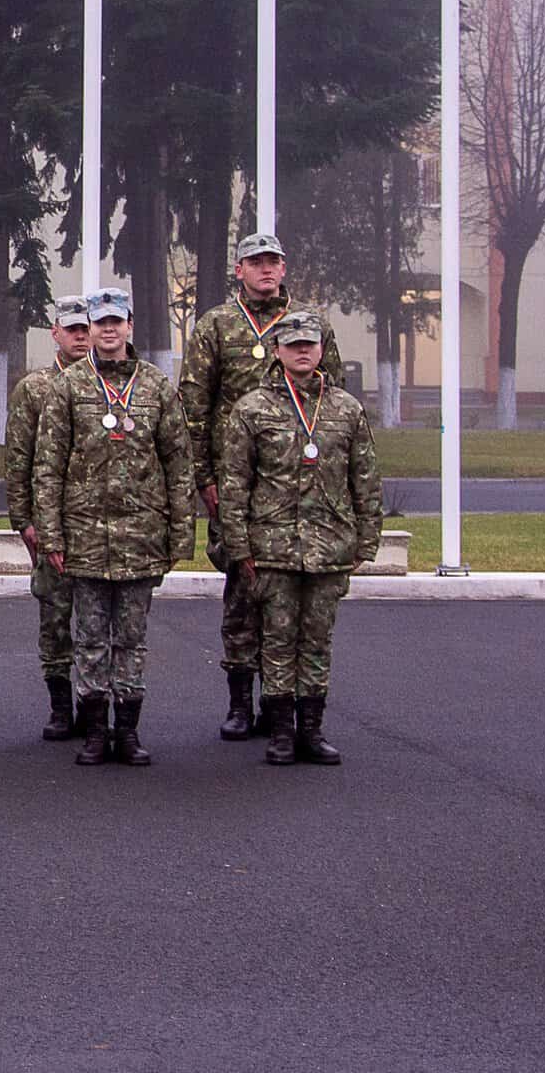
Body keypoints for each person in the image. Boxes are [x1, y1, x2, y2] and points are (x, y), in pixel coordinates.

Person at [180, 233, 343, 743]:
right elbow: (195, 406)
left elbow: (332, 396)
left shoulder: (311, 324)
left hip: (299, 481)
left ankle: (292, 708)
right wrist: (204, 478)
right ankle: (239, 700)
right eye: (256, 262)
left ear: (284, 267)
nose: (266, 270)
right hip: (237, 483)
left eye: (273, 261)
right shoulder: (216, 324)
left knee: (300, 599)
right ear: (239, 270)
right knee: (243, 589)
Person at [33, 287, 193, 768]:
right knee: (88, 639)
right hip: (84, 538)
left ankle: (128, 730)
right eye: (98, 322)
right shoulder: (67, 387)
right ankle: (96, 730)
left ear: (130, 327)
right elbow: (48, 467)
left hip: (141, 538)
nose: (106, 330)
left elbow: (178, 464)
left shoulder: (157, 388)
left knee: (132, 639)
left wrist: (179, 537)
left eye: (115, 321)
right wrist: (52, 535)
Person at [218, 310, 383, 766]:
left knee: (316, 642)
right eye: (293, 346)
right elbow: (235, 485)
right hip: (273, 549)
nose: (303, 352)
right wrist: (240, 546)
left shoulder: (346, 409)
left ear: (321, 350)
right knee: (276, 640)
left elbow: (365, 478)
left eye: (310, 345)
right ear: (278, 353)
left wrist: (366, 541)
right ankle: (282, 731)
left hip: (330, 546)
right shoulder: (252, 409)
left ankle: (312, 728)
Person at [4, 294, 92, 741]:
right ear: (55, 333)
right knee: (56, 619)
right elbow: (18, 460)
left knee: (101, 622)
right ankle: (61, 708)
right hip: (52, 522)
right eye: (71, 328)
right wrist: (24, 521)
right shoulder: (35, 389)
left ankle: (97, 707)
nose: (80, 336)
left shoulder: (117, 386)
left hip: (103, 525)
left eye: (86, 328)